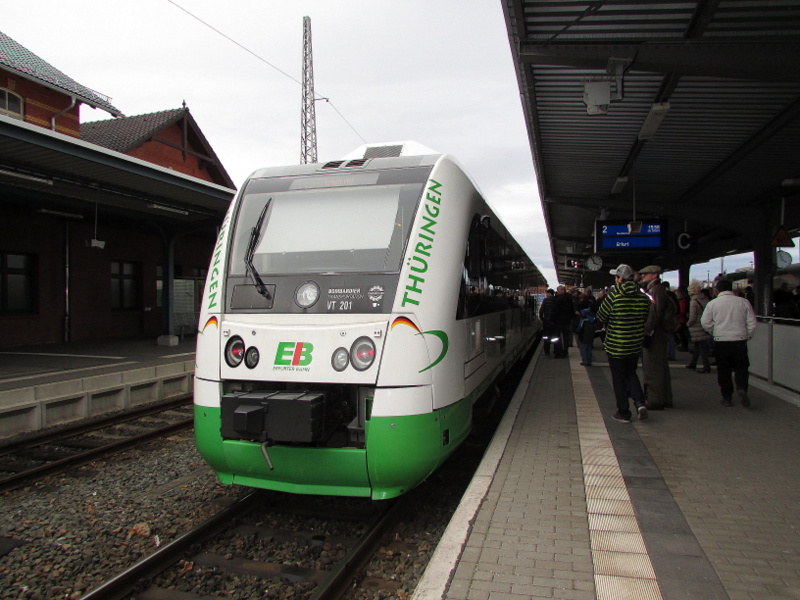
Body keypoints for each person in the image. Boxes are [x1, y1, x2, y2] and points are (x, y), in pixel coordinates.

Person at [596, 264, 652, 423]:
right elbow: (645, 317)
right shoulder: (643, 298)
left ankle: (623, 412)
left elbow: (600, 316)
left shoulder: (614, 297)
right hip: (634, 345)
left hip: (616, 346)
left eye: (616, 277)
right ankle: (640, 403)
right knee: (631, 373)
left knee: (619, 378)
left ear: (620, 279)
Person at [701, 278, 757, 407]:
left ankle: (727, 397)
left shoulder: (713, 304)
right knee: (741, 368)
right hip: (739, 340)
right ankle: (741, 387)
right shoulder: (743, 302)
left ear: (717, 290)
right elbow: (752, 323)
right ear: (732, 289)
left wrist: (714, 331)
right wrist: (747, 335)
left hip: (721, 340)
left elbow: (705, 322)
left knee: (724, 370)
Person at [639, 265, 674, 410]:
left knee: (652, 367)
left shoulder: (655, 290)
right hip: (659, 333)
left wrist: (647, 331)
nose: (643, 276)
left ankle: (655, 400)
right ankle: (665, 398)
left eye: (646, 274)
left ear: (654, 275)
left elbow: (654, 313)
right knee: (660, 366)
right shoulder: (659, 289)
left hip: (655, 334)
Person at [684, 282, 711, 373]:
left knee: (701, 347)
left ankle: (706, 366)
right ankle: (693, 363)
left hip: (696, 326)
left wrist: (688, 324)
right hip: (704, 324)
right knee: (698, 346)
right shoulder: (705, 299)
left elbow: (693, 317)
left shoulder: (694, 302)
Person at [551, 285, 574, 359]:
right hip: (567, 321)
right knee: (566, 337)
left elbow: (555, 310)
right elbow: (572, 310)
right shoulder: (570, 298)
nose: (557, 292)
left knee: (557, 337)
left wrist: (552, 319)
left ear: (562, 291)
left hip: (558, 321)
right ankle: (565, 351)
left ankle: (558, 352)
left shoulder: (558, 299)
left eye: (558, 290)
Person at [575, 292, 598, 366]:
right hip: (590, 332)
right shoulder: (591, 313)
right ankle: (589, 361)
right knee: (589, 346)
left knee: (583, 347)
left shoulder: (582, 315)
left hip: (583, 332)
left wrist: (576, 331)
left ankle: (585, 361)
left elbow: (579, 325)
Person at [538, 289, 556, 355]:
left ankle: (547, 351)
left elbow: (541, 310)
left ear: (549, 293)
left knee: (546, 336)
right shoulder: (556, 300)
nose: (546, 295)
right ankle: (555, 350)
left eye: (547, 293)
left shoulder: (545, 300)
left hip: (547, 321)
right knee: (555, 336)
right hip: (554, 321)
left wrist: (542, 319)